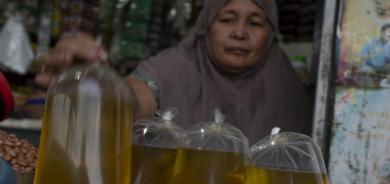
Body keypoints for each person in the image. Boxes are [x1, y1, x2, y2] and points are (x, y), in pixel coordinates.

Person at [35, 0, 312, 144]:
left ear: (271, 35)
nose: (239, 33)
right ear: (205, 27)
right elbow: (138, 95)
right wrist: (96, 85)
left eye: (255, 23)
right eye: (227, 20)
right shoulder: (177, 65)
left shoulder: (287, 88)